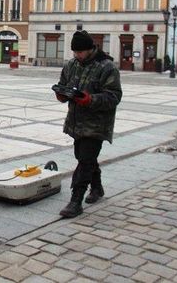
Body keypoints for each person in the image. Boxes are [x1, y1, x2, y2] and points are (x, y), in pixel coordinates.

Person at [54, 30, 122, 218]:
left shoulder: (107, 67)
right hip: (77, 122)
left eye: (80, 52)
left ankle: (76, 201)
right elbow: (63, 84)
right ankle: (97, 187)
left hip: (97, 124)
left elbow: (114, 96)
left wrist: (89, 99)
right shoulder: (71, 65)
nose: (77, 56)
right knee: (84, 157)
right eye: (75, 52)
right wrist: (61, 93)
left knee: (85, 160)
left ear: (90, 49)